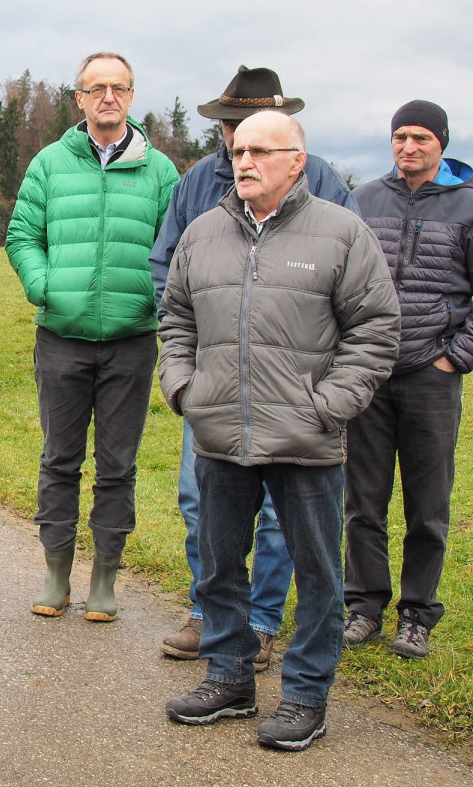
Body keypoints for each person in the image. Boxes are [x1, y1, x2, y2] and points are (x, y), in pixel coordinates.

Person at [158, 111, 399, 751]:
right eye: (239, 151)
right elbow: (175, 317)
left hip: (306, 440)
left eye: (261, 151)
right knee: (217, 567)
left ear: (297, 160)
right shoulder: (204, 232)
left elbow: (375, 330)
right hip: (219, 433)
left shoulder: (341, 233)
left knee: (318, 575)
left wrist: (329, 405)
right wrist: (185, 386)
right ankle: (230, 677)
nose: (244, 161)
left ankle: (304, 697)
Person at [149, 66, 358, 670]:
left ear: (291, 145)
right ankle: (214, 616)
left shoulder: (320, 184)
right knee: (201, 502)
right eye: (231, 127)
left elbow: (355, 289)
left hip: (296, 390)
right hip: (215, 386)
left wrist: (329, 396)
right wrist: (185, 378)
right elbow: (169, 269)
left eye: (252, 129)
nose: (239, 142)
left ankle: (262, 620)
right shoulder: (197, 184)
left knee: (278, 517)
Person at [5, 52, 179, 621]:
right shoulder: (51, 164)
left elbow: (176, 249)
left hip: (132, 340)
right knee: (59, 458)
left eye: (120, 88)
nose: (109, 97)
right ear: (78, 98)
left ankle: (105, 576)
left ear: (132, 97)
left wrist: (154, 302)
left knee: (118, 465)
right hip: (62, 337)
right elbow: (22, 234)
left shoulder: (160, 171)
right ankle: (56, 574)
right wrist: (44, 286)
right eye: (97, 88)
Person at [343, 100, 473, 659]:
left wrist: (456, 356)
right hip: (370, 372)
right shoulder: (364, 200)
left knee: (427, 503)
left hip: (431, 375)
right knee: (361, 499)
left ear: (441, 143)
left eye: (420, 137)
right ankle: (363, 605)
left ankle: (417, 614)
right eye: (400, 136)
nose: (408, 147)